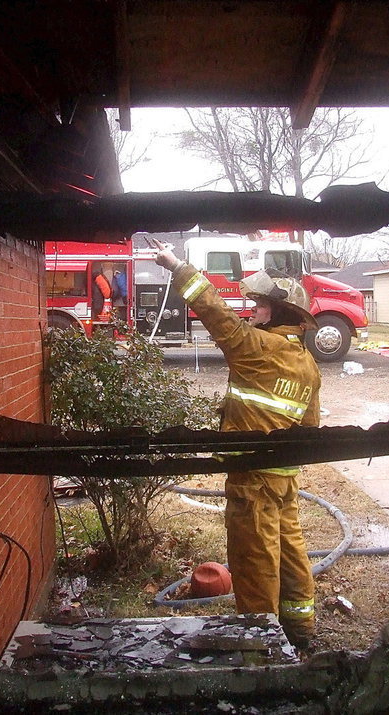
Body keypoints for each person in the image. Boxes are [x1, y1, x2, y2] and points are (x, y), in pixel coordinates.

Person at [148, 237, 322, 650]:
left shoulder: (257, 348)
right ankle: (300, 629)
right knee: (290, 548)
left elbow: (214, 311)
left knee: (255, 559)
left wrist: (177, 266)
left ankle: (262, 641)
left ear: (278, 311)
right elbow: (310, 426)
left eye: (260, 305)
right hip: (284, 479)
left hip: (252, 478)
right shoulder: (308, 364)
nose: (253, 310)